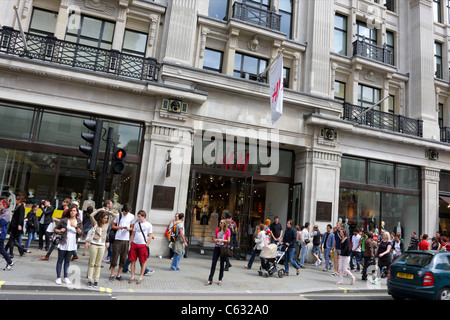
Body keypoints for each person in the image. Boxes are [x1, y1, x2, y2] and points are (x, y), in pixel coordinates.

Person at [86, 207, 118, 288]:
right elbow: (91, 215)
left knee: (98, 264)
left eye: (107, 218)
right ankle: (90, 280)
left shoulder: (107, 224)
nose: (106, 219)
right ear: (101, 218)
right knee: (92, 264)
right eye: (105, 218)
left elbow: (115, 215)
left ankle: (96, 280)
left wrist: (108, 211)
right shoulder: (95, 223)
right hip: (94, 244)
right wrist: (99, 210)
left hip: (102, 246)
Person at [54, 204, 82, 285]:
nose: (72, 212)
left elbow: (81, 233)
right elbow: (55, 229)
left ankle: (65, 277)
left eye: (74, 211)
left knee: (67, 261)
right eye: (71, 211)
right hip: (63, 242)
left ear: (77, 212)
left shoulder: (79, 221)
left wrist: (76, 227)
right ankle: (58, 277)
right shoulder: (64, 220)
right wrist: (60, 231)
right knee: (60, 260)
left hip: (72, 243)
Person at [109, 203, 135, 281]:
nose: (127, 213)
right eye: (126, 211)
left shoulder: (131, 216)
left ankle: (119, 274)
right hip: (118, 238)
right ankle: (112, 273)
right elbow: (113, 226)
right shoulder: (118, 215)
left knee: (123, 257)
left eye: (128, 211)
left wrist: (128, 229)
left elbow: (132, 227)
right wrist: (119, 227)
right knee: (115, 256)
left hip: (126, 239)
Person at [128, 210, 152, 285]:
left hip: (142, 244)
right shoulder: (136, 224)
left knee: (143, 261)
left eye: (139, 216)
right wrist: (131, 243)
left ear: (143, 216)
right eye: (138, 216)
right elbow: (133, 234)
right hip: (135, 244)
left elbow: (150, 235)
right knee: (132, 260)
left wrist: (147, 244)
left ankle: (141, 276)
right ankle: (132, 276)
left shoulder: (148, 225)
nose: (138, 218)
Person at [205, 219, 230, 286]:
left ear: (224, 224)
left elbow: (228, 240)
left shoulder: (227, 231)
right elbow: (214, 238)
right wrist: (217, 240)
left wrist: (222, 240)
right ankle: (210, 279)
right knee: (213, 263)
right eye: (220, 222)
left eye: (221, 222)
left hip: (223, 248)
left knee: (222, 264)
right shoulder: (217, 230)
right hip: (217, 247)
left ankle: (220, 279)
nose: (220, 223)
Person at [0, 198, 14, 270]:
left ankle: (10, 262)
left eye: (0, 204)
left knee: (2, 249)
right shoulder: (1, 212)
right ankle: (10, 262)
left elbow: (1, 223)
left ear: (5, 206)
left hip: (1, 234)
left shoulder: (6, 214)